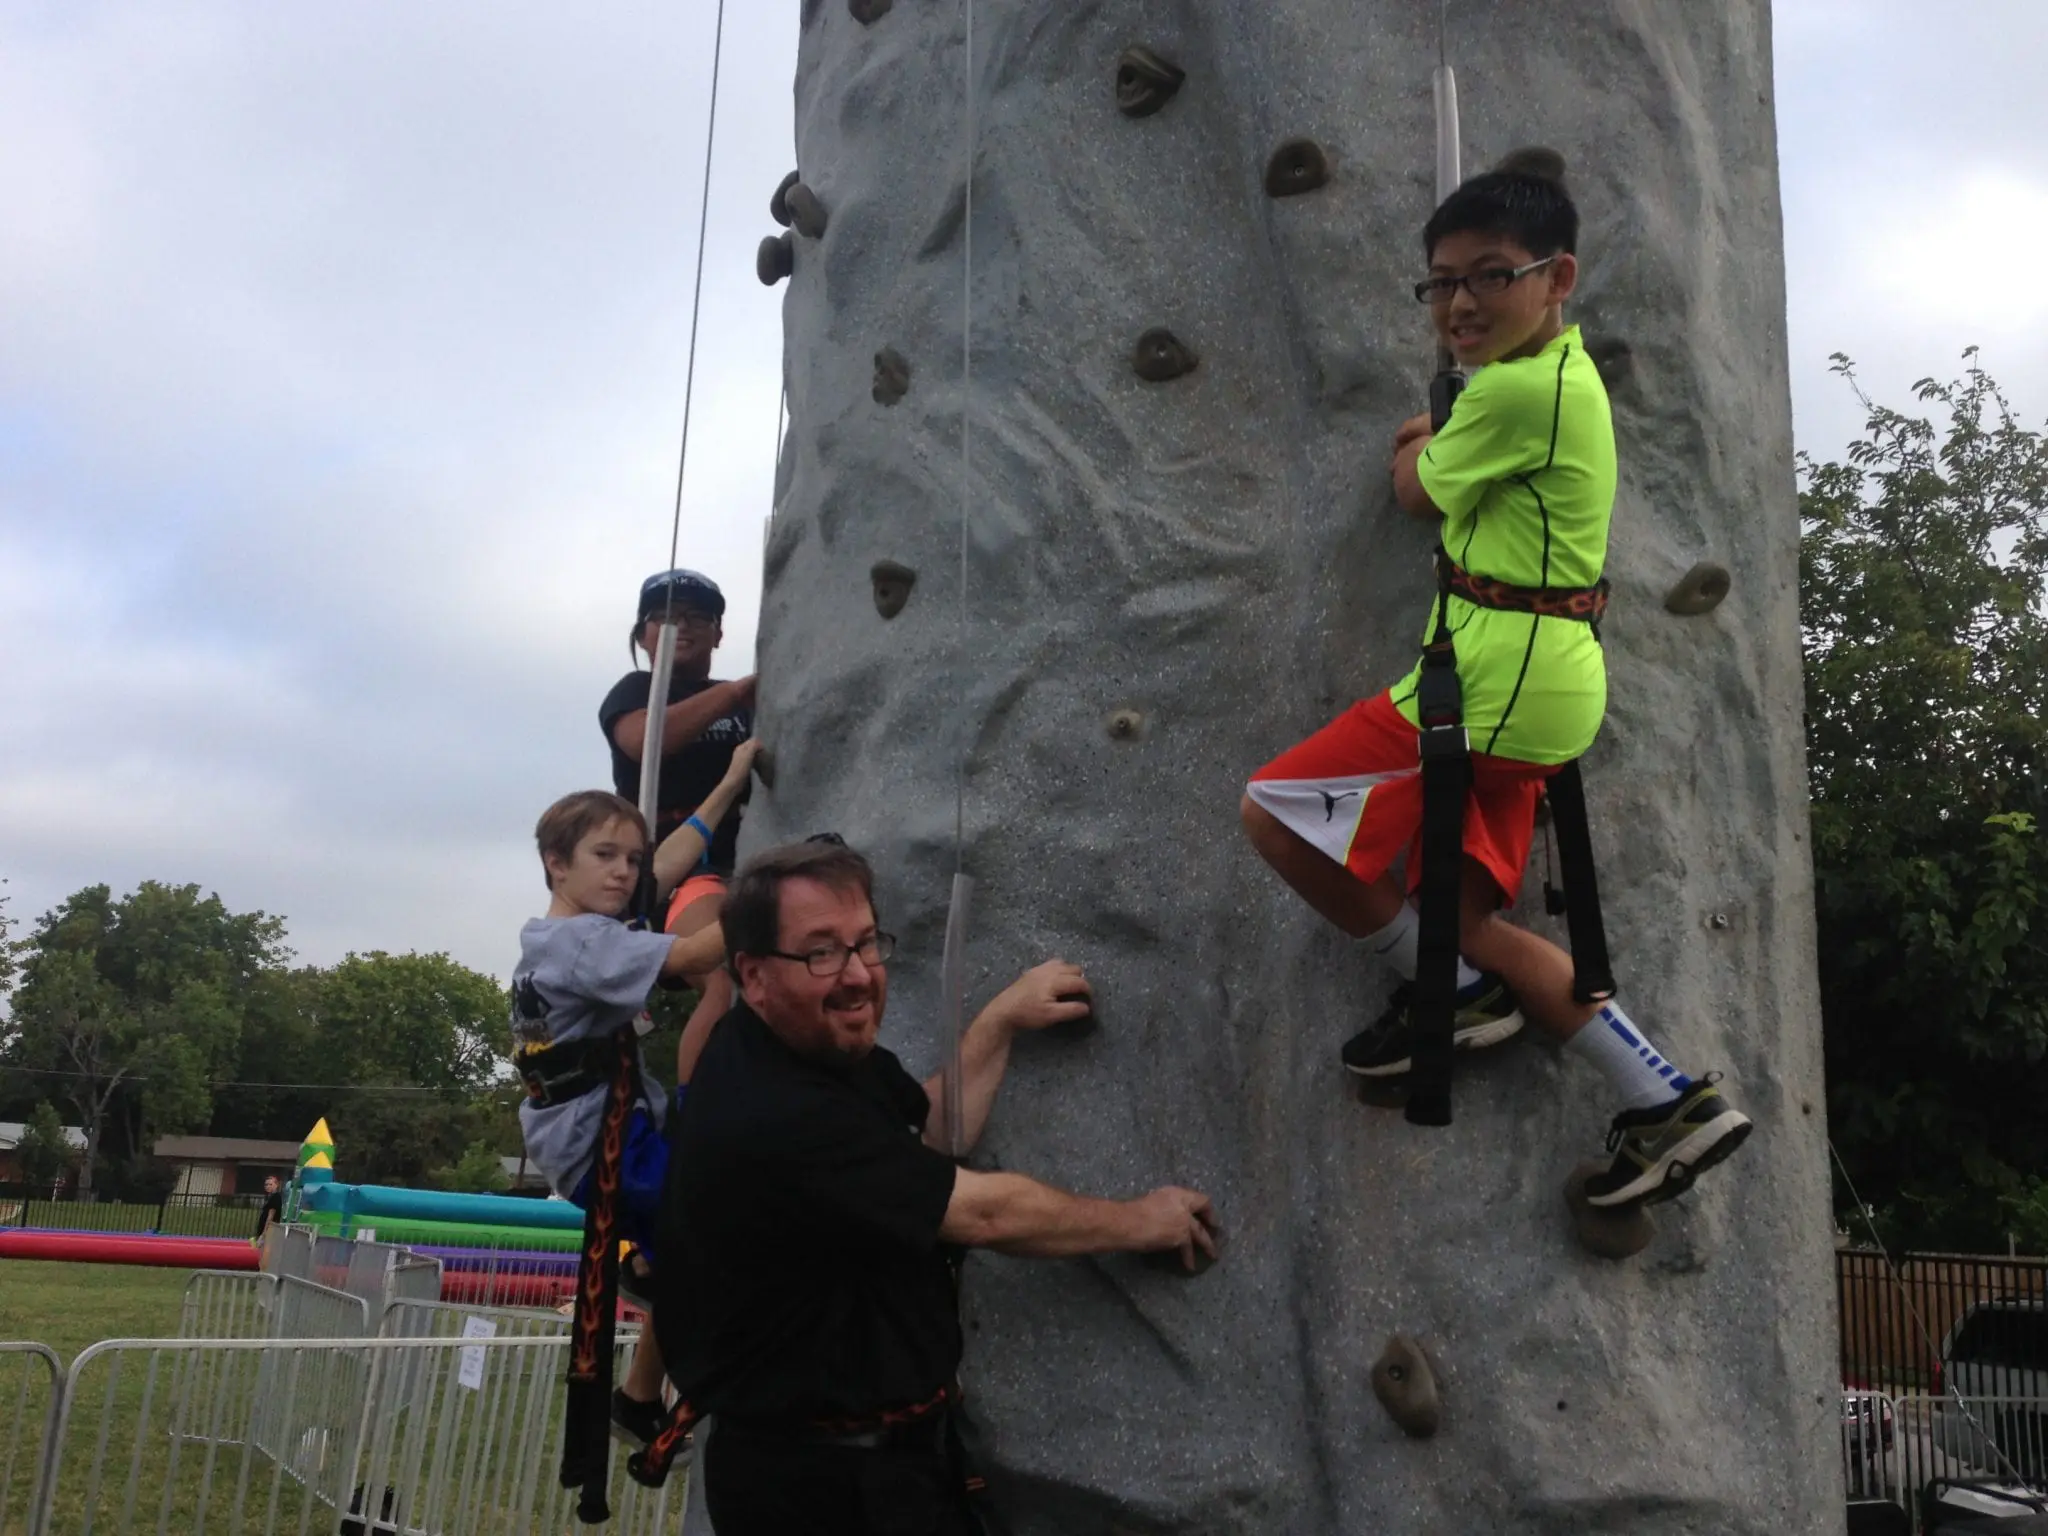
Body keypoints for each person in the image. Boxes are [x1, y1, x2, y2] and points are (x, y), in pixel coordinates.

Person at [1240, 158, 1751, 1208]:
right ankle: (1664, 1101)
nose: (1460, 303)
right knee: (1467, 917)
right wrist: (1447, 429)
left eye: (1488, 275)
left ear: (1555, 276)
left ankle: (1451, 991)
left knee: (1275, 816)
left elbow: (1411, 491)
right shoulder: (1555, 378)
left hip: (1490, 681)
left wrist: (1426, 439)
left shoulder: (1517, 393)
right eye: (1439, 281)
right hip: (1537, 678)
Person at [655, 840, 1218, 1536]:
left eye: (866, 943)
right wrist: (1140, 1222)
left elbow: (926, 1139)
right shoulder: (772, 1109)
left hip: (887, 1465)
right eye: (821, 952)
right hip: (820, 1492)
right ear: (754, 974)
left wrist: (999, 1020)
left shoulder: (805, 1046)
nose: (859, 974)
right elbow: (979, 1213)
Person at [510, 777, 746, 1448]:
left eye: (630, 860)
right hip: (604, 1144)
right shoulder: (586, 944)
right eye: (605, 856)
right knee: (726, 1225)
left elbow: (670, 859)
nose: (626, 872)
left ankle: (643, 1375)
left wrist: (727, 783)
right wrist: (784, 894)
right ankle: (665, 1302)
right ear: (557, 863)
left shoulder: (564, 932)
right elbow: (702, 953)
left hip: (606, 1127)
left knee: (697, 1231)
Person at [600, 568, 756, 1084]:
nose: (680, 626)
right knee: (723, 980)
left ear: (718, 632)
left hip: (751, 857)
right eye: (664, 618)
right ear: (644, 634)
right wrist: (736, 694)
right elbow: (646, 741)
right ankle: (696, 1120)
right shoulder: (636, 690)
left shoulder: (749, 701)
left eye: (696, 617)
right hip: (676, 871)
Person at [254, 1174, 284, 1240]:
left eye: (270, 1184)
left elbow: (270, 1216)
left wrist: (264, 1233)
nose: (268, 1186)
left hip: (270, 1230)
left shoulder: (276, 1197)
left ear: (276, 1185)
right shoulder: (270, 1197)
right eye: (266, 1184)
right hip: (266, 1229)